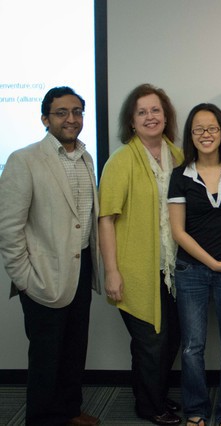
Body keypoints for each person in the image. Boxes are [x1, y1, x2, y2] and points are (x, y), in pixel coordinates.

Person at [0, 86, 101, 426]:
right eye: (61, 112)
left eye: (77, 111)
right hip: (42, 273)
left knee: (74, 349)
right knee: (46, 356)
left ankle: (70, 411)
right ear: (45, 118)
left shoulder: (87, 157)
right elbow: (9, 228)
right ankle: (42, 420)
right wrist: (24, 279)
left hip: (81, 265)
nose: (71, 119)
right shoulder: (24, 159)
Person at [98, 84, 183, 425]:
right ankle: (149, 407)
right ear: (131, 122)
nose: (150, 117)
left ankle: (154, 395)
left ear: (166, 116)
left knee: (171, 338)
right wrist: (112, 271)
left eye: (156, 110)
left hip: (173, 267)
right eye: (142, 112)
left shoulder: (177, 156)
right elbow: (106, 219)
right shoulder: (120, 161)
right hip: (135, 270)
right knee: (151, 343)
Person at [168, 103, 221, 426]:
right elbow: (178, 231)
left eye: (212, 128)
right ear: (191, 136)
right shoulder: (181, 176)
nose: (206, 135)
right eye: (198, 130)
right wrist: (213, 264)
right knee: (192, 347)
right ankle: (196, 410)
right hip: (192, 271)